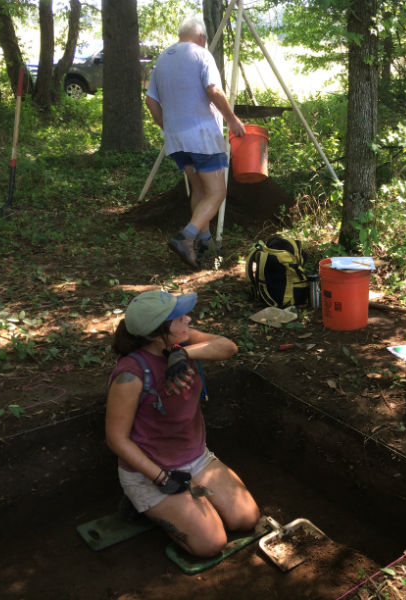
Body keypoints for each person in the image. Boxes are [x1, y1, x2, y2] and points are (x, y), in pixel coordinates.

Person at [106, 290, 260, 557]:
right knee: (211, 543)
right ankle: (140, 503)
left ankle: (185, 507)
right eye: (179, 318)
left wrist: (184, 354)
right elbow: (116, 439)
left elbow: (228, 347)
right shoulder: (131, 375)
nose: (188, 319)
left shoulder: (177, 343)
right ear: (157, 333)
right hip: (151, 472)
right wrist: (160, 477)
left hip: (195, 459)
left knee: (246, 517)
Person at [145, 16, 246, 270]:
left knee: (200, 190)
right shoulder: (202, 55)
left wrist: (166, 127)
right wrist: (232, 120)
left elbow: (150, 101)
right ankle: (186, 237)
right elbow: (214, 90)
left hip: (176, 141)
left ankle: (205, 240)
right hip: (201, 137)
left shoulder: (163, 59)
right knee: (217, 192)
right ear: (202, 38)